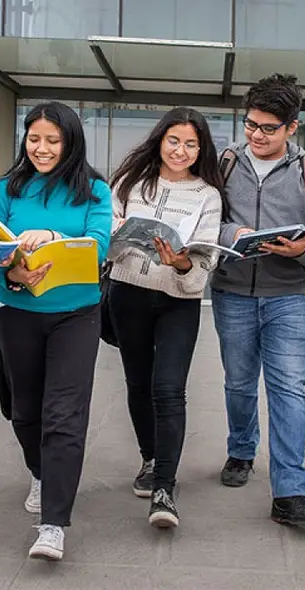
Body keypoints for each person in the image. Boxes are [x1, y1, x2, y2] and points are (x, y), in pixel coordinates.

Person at [211, 74, 305, 526]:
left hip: (289, 295)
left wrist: (302, 249)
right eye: (251, 125)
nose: (257, 136)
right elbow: (208, 220)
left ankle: (290, 492)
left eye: (269, 128)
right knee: (239, 383)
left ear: (292, 127)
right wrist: (234, 234)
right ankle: (241, 451)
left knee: (288, 390)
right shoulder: (225, 162)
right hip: (232, 292)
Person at [0, 101, 112, 561]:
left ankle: (54, 524)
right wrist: (11, 274)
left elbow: (100, 246)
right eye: (34, 139)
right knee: (25, 412)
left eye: (52, 141)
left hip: (75, 315)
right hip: (16, 313)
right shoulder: (8, 187)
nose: (41, 148)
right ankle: (39, 473)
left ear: (71, 142)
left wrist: (55, 240)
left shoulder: (94, 190)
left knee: (65, 416)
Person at [105, 107, 225, 528]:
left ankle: (165, 488)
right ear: (160, 139)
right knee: (138, 383)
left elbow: (202, 264)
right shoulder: (130, 183)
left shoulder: (209, 195)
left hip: (178, 301)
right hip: (128, 294)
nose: (181, 150)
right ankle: (150, 458)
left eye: (191, 144)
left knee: (168, 388)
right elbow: (107, 239)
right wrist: (119, 238)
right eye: (174, 140)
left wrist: (179, 263)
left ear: (200, 149)